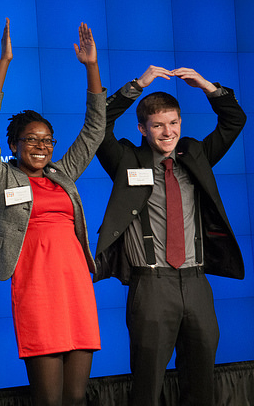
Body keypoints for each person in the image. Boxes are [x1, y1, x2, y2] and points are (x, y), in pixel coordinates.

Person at [94, 65, 246, 405]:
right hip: (151, 285)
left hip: (195, 282)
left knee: (201, 379)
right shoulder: (126, 159)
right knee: (148, 385)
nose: (167, 132)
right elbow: (98, 126)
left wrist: (207, 86)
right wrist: (137, 85)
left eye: (173, 123)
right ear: (143, 129)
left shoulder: (195, 155)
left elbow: (234, 120)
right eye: (158, 125)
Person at [0, 20, 105, 406]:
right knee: (49, 401)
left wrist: (91, 67)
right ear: (14, 145)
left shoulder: (62, 173)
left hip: (76, 285)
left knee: (75, 398)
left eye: (47, 140)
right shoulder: (1, 178)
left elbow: (95, 130)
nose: (41, 146)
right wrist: (3, 65)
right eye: (31, 139)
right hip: (36, 289)